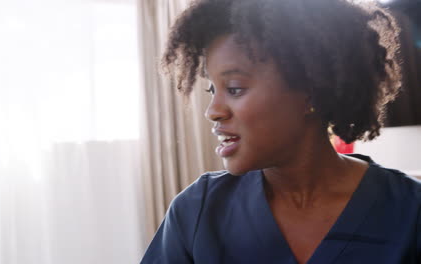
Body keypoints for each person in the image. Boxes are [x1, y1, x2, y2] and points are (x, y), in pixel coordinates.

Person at [141, 0, 421, 263]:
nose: (212, 111)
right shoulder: (197, 210)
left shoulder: (411, 212)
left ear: (310, 92)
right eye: (212, 90)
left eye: (234, 89)